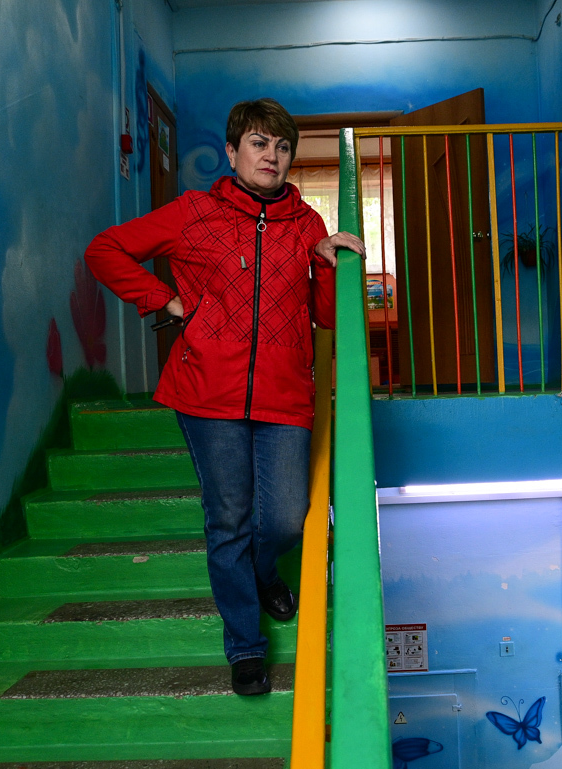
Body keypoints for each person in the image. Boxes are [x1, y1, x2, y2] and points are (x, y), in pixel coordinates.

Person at [84, 98, 364, 695]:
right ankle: (245, 646)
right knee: (229, 519)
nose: (272, 156)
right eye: (259, 144)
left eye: (282, 147)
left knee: (286, 518)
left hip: (285, 394)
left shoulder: (307, 225)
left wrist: (325, 265)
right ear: (233, 151)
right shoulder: (194, 213)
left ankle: (264, 572)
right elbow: (105, 250)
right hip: (207, 393)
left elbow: (325, 316)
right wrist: (166, 301)